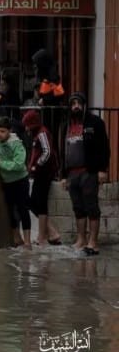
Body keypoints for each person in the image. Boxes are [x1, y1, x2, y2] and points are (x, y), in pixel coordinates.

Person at [63, 92, 110, 256]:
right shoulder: (66, 124)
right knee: (78, 208)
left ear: (84, 105)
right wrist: (63, 175)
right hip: (72, 173)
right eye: (73, 103)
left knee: (91, 207)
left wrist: (103, 169)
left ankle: (93, 242)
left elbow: (104, 147)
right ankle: (81, 239)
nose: (76, 106)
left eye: (78, 103)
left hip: (89, 172)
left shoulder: (95, 122)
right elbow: (63, 149)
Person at [0, 116, 32, 249]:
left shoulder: (16, 144)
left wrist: (0, 163)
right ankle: (17, 237)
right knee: (10, 210)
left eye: (3, 131)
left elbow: (19, 164)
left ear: (9, 131)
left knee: (23, 210)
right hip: (6, 182)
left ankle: (28, 241)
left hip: (20, 181)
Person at [21, 110, 63, 246]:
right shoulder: (36, 134)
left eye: (27, 125)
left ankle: (44, 236)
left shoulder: (42, 133)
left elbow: (47, 151)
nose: (26, 129)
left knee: (39, 203)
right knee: (34, 202)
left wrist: (36, 166)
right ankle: (50, 233)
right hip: (40, 172)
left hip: (45, 172)